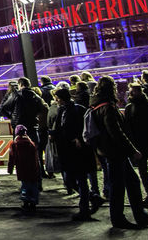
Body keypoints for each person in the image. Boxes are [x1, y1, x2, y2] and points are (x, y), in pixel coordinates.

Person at [89, 76, 148, 229]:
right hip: (115, 151)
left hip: (110, 150)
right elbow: (116, 132)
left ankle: (138, 216)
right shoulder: (108, 107)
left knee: (129, 183)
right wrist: (132, 149)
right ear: (111, 89)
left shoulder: (97, 105)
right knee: (119, 186)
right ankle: (120, 218)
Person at [52, 85, 97, 220]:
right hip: (68, 149)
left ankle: (84, 209)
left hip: (76, 150)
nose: (56, 101)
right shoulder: (64, 110)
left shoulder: (76, 110)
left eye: (57, 98)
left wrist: (77, 138)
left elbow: (81, 128)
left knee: (80, 179)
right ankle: (92, 198)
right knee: (73, 179)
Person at [7, 124, 40, 211]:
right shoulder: (31, 144)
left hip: (22, 169)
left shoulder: (14, 144)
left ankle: (25, 203)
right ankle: (33, 203)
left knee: (24, 185)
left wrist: (10, 169)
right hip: (32, 169)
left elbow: (11, 157)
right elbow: (36, 158)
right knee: (33, 186)